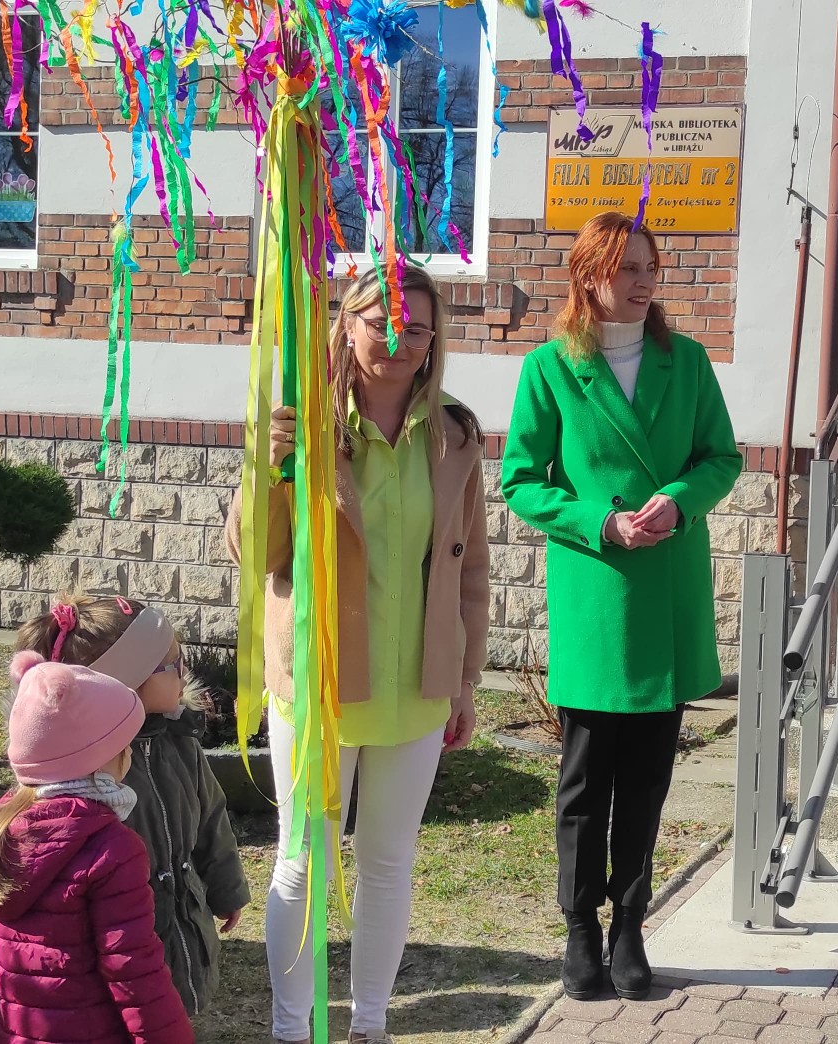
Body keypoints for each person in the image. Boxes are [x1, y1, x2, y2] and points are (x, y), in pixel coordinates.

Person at [227, 267, 489, 1043]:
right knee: (304, 860)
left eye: (417, 328)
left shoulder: (455, 435)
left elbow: (470, 569)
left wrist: (465, 680)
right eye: (383, 323)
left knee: (387, 862)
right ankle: (291, 1029)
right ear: (346, 324)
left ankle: (369, 1025)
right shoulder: (304, 425)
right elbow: (257, 555)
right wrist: (266, 466)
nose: (399, 341)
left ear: (435, 339)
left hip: (417, 685)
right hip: (321, 680)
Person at [499, 212, 743, 1001]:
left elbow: (721, 457)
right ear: (588, 275)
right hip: (598, 595)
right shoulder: (549, 367)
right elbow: (521, 480)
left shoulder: (686, 361)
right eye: (625, 267)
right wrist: (600, 522)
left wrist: (678, 499)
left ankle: (630, 924)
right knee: (583, 782)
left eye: (649, 266)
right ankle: (579, 926)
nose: (643, 281)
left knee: (645, 779)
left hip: (666, 591)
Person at [12, 596, 246, 1014]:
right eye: (171, 664)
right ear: (129, 679)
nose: (184, 670)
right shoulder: (89, 766)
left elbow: (211, 819)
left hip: (182, 922)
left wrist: (227, 888)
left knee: (172, 1013)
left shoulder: (180, 743)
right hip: (124, 937)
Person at [0, 659, 192, 1044]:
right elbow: (132, 965)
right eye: (124, 745)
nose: (130, 754)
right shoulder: (111, 849)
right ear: (100, 760)